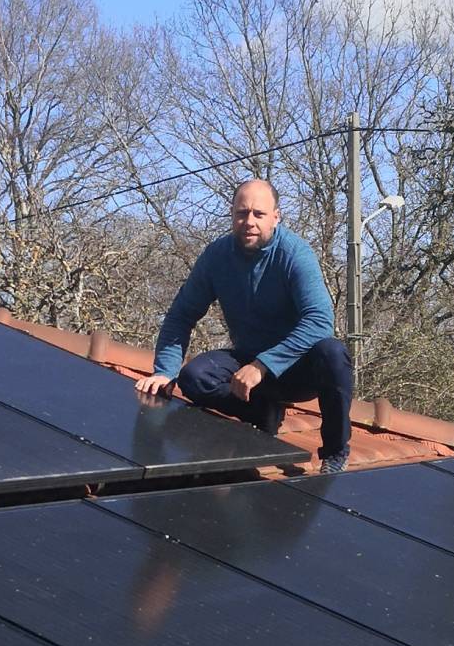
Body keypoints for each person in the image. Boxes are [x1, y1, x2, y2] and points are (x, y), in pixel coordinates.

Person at [138, 178, 354, 471]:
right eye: (242, 213)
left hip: (297, 367)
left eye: (258, 214)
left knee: (333, 354)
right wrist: (164, 371)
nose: (249, 221)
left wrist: (263, 365)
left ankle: (335, 452)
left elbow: (319, 321)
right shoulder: (217, 256)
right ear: (232, 214)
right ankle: (263, 412)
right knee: (194, 377)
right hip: (248, 360)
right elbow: (181, 315)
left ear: (276, 217)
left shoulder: (295, 255)